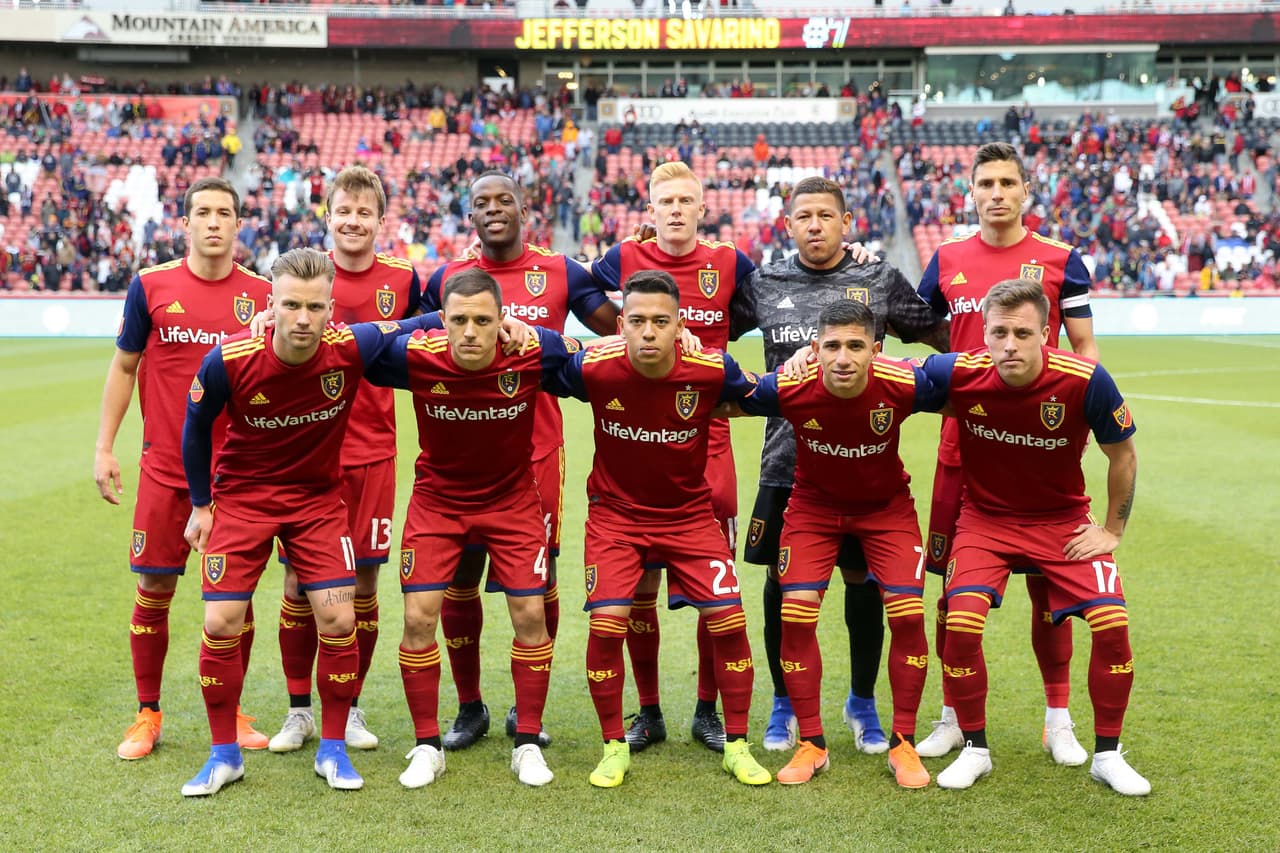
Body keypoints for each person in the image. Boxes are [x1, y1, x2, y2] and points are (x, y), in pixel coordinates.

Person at [179, 248, 438, 796]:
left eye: (315, 307)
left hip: (317, 504)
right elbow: (195, 426)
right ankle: (224, 755)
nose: (302, 318)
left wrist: (498, 319)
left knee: (340, 620)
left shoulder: (351, 346)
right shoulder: (229, 359)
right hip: (243, 501)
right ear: (270, 305)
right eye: (291, 305)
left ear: (331, 310)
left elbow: (421, 323)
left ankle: (333, 748)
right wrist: (201, 505)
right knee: (221, 622)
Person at [728, 176, 949, 754]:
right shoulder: (765, 282)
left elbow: (940, 333)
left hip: (861, 466)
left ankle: (861, 701)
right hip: (786, 463)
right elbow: (705, 330)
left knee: (864, 582)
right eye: (804, 216)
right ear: (788, 225)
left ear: (846, 222)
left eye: (826, 215)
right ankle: (784, 704)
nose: (815, 225)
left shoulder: (877, 278)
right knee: (781, 587)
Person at [542, 270, 770, 788]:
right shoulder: (594, 367)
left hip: (690, 517)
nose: (649, 332)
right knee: (607, 625)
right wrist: (513, 327)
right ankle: (613, 747)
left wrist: (807, 364)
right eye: (638, 321)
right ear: (621, 324)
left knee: (729, 621)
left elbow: (765, 394)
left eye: (661, 322)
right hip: (616, 519)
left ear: (680, 326)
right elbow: (539, 360)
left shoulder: (711, 370)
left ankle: (736, 744)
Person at [920, 279, 1147, 796]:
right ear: (983, 333)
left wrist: (1112, 530)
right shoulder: (957, 371)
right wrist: (809, 358)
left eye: (1022, 333)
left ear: (1046, 333)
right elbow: (879, 376)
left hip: (1062, 522)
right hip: (985, 522)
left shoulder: (1085, 379)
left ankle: (1107, 756)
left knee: (1112, 628)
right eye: (999, 332)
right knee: (961, 624)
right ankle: (975, 748)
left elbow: (1123, 455)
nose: (1009, 345)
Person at [914, 141, 1099, 765]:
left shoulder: (1061, 259)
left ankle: (1058, 720)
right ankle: (951, 718)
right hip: (962, 450)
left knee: (1051, 591)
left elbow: (1085, 349)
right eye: (985, 183)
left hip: (1040, 450)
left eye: (1006, 183)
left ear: (1025, 191)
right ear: (970, 192)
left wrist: (1072, 419)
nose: (996, 193)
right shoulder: (946, 259)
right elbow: (920, 330)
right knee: (951, 591)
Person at [426, 172, 618, 753]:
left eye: (503, 200)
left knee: (539, 580)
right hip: (461, 456)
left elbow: (619, 330)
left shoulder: (561, 271)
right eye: (481, 203)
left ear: (524, 209)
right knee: (459, 579)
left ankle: (525, 707)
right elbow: (400, 334)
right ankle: (469, 706)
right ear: (469, 216)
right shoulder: (447, 279)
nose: (493, 210)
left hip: (536, 452)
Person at [369, 268, 578, 789]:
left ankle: (527, 743)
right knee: (418, 618)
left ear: (502, 319)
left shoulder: (531, 353)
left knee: (530, 613)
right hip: (437, 505)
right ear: (441, 320)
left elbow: (601, 359)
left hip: (512, 503)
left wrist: (537, 331)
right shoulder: (416, 356)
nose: (469, 332)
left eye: (483, 321)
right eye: (458, 319)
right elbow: (351, 342)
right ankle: (427, 746)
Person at [95, 176, 272, 761]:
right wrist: (104, 448)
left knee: (236, 600)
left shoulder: (263, 295)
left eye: (224, 212)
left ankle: (235, 712)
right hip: (165, 470)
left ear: (239, 223)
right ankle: (147, 714)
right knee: (154, 588)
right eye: (203, 212)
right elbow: (125, 367)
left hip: (236, 478)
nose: (213, 222)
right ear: (186, 221)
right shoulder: (150, 286)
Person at [590, 161, 755, 754]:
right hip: (640, 433)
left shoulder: (729, 262)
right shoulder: (623, 257)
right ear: (651, 210)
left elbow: (769, 298)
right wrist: (619, 334)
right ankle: (650, 710)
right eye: (667, 201)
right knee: (638, 586)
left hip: (707, 441)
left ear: (702, 208)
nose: (677, 210)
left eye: (687, 200)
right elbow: (578, 288)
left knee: (718, 592)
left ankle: (708, 711)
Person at [267, 166, 421, 755]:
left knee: (363, 583)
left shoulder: (404, 280)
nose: (353, 221)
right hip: (306, 456)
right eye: (344, 211)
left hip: (372, 454)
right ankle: (298, 711)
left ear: (381, 220)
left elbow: (438, 331)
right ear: (327, 217)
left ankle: (350, 706)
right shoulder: (302, 277)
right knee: (298, 581)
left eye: (364, 212)